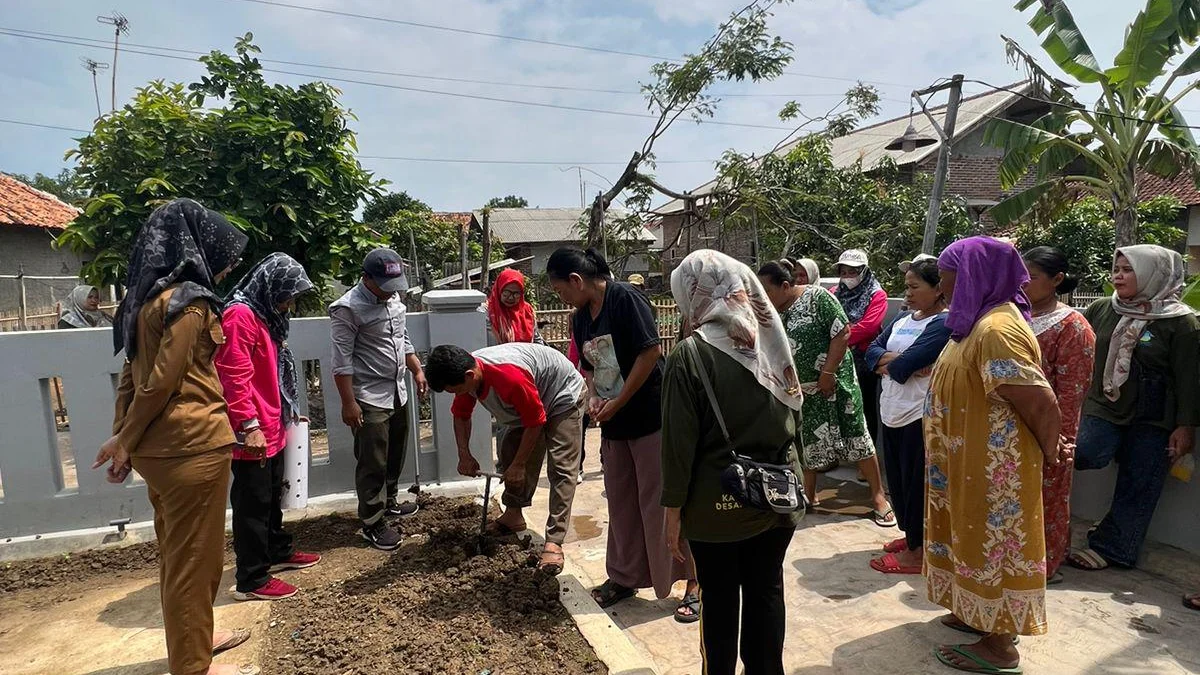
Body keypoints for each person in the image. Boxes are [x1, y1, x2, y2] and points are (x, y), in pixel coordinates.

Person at [91, 198, 256, 675]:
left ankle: (197, 640)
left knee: (179, 555)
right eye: (221, 256)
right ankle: (191, 663)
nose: (224, 268)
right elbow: (163, 379)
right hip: (193, 445)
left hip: (163, 453)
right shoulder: (189, 302)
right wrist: (123, 439)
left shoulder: (142, 301)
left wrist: (124, 434)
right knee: (195, 564)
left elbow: (132, 375)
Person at [924, 236, 1064, 674]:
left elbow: (1039, 402)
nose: (942, 284)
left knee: (995, 547)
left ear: (971, 276)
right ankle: (975, 611)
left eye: (948, 273)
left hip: (993, 470)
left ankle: (1000, 644)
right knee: (967, 540)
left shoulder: (997, 329)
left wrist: (1052, 452)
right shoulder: (974, 322)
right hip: (963, 466)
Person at [662, 249, 805, 675]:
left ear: (694, 295)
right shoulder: (773, 343)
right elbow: (795, 415)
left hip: (715, 506)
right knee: (766, 592)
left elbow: (677, 448)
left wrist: (672, 513)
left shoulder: (689, 356)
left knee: (719, 601)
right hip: (778, 499)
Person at [547, 247, 698, 621]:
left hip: (650, 417)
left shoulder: (626, 299)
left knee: (663, 501)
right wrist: (596, 398)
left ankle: (694, 581)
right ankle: (624, 577)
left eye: (560, 289)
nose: (561, 297)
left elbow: (649, 355)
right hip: (614, 423)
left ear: (577, 281)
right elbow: (588, 366)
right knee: (622, 501)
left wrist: (619, 401)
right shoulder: (580, 317)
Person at [1067, 245, 1199, 572]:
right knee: (1085, 451)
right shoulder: (1101, 308)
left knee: (1141, 480)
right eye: (1117, 268)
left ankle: (1114, 546)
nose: (1118, 275)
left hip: (1154, 415)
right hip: (1103, 404)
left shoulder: (1181, 323)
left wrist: (1186, 426)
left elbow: (1189, 377)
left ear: (1154, 274)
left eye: (1129, 270)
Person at [216, 253, 322, 602]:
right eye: (288, 294)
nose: (290, 302)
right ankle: (252, 578)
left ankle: (276, 551)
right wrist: (249, 425)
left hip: (272, 423)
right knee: (253, 504)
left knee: (272, 494)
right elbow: (234, 375)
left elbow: (273, 371)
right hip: (252, 429)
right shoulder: (240, 316)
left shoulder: (266, 316)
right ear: (270, 286)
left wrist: (288, 413)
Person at [426, 342, 585, 574]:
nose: (457, 395)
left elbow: (536, 420)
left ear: (470, 375)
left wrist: (521, 465)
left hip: (561, 392)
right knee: (510, 453)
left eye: (456, 390)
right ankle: (513, 516)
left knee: (561, 468)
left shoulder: (508, 377)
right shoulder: (468, 374)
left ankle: (554, 540)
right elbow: (461, 416)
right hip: (532, 395)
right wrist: (464, 454)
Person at [758, 260, 894, 525]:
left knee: (856, 435)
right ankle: (808, 495)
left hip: (836, 384)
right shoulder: (772, 312)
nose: (763, 297)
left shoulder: (816, 297)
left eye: (767, 291)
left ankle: (878, 497)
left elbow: (842, 332)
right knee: (806, 441)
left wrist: (828, 373)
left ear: (786, 286)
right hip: (802, 390)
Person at [329, 248, 429, 551]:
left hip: (397, 389)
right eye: (384, 286)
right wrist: (349, 402)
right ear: (366, 278)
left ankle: (389, 501)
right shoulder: (347, 309)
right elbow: (341, 360)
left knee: (396, 450)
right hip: (368, 395)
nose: (390, 293)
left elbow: (403, 338)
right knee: (373, 460)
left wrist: (416, 370)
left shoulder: (393, 299)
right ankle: (372, 522)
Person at [864, 257, 950, 574]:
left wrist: (894, 363)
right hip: (893, 410)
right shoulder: (902, 320)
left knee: (916, 485)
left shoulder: (943, 323)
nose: (908, 293)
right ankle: (911, 538)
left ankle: (919, 551)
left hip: (918, 414)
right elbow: (871, 353)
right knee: (898, 481)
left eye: (915, 287)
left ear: (938, 288)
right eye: (907, 287)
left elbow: (898, 367)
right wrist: (899, 362)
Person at [1022, 246, 1095, 582]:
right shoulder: (1015, 317)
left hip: (1048, 428)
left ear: (1057, 280)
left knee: (1046, 497)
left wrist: (1058, 438)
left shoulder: (1072, 326)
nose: (1023, 283)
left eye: (1032, 277)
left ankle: (1044, 566)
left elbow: (1072, 391)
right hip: (1013, 426)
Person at [834, 249, 888, 448]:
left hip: (863, 359)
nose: (848, 277)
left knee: (864, 406)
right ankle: (842, 450)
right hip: (837, 357)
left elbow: (869, 326)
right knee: (839, 405)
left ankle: (866, 452)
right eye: (844, 272)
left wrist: (838, 339)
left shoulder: (876, 294)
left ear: (864, 271)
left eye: (853, 271)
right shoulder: (834, 293)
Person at [487, 268, 537, 344]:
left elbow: (536, 339)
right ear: (499, 290)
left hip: (525, 354)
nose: (511, 298)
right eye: (507, 292)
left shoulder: (528, 311)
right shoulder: (488, 312)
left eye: (516, 293)